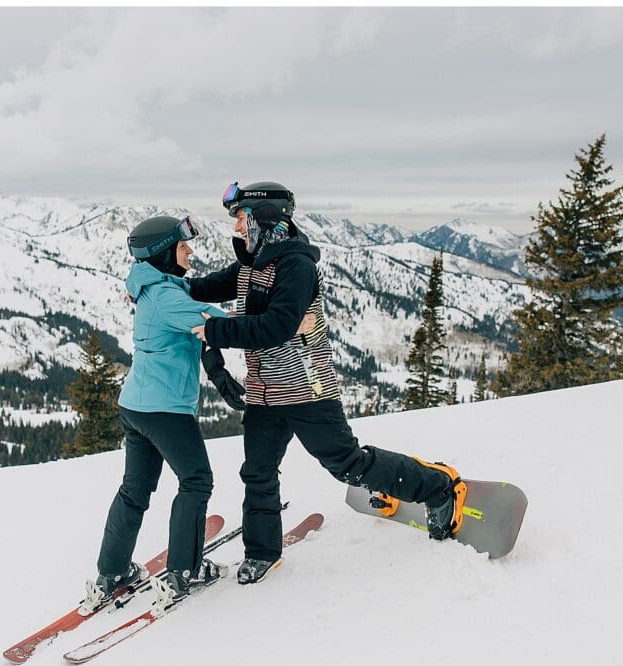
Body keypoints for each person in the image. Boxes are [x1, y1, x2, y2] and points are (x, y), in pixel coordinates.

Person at [187, 181, 467, 585]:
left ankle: (437, 487)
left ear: (264, 221)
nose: (236, 228)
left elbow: (277, 326)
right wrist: (160, 288)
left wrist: (216, 332)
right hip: (266, 392)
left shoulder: (295, 267)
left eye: (242, 218)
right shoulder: (251, 265)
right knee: (258, 472)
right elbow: (204, 286)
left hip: (306, 389)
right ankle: (262, 552)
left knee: (347, 463)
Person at [80, 215, 238, 612]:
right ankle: (185, 571)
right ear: (163, 253)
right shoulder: (166, 297)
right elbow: (221, 324)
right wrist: (285, 320)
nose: (190, 252)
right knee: (197, 481)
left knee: (134, 491)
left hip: (135, 405)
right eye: (183, 247)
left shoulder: (155, 286)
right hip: (165, 410)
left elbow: (193, 308)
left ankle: (111, 572)